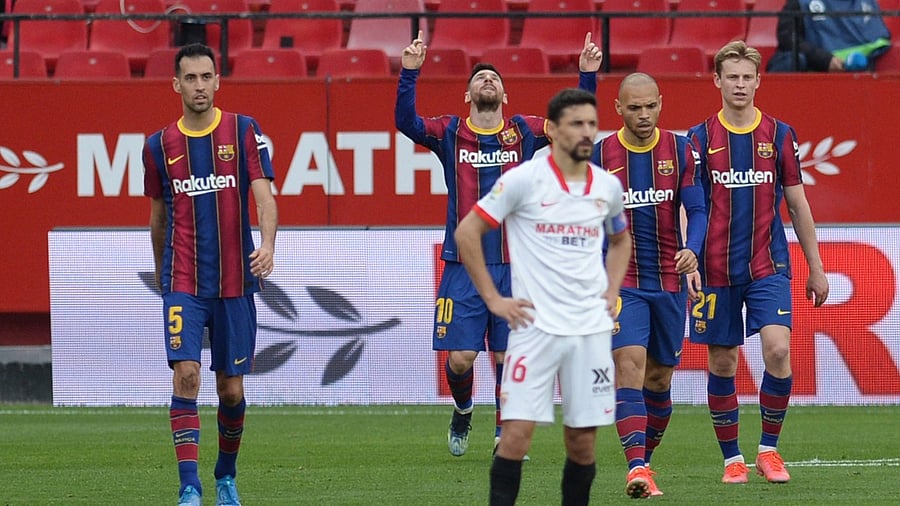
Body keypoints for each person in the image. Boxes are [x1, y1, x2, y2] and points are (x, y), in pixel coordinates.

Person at [395, 30, 604, 457]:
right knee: (462, 360)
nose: (487, 80)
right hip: (463, 265)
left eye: (493, 77)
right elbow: (406, 123)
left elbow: (573, 125)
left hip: (518, 265)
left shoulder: (524, 131)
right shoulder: (449, 132)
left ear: (505, 95)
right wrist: (409, 74)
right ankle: (463, 406)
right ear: (467, 94)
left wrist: (586, 76)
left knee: (509, 358)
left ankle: (502, 433)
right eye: (479, 78)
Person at [455, 87, 631, 506]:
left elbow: (621, 241)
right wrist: (494, 300)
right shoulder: (522, 180)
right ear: (551, 129)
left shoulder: (606, 186)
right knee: (515, 437)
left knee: (582, 443)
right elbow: (467, 232)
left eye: (592, 123)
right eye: (576, 124)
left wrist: (611, 288)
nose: (586, 132)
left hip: (588, 331)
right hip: (534, 331)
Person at [687, 40, 829, 485]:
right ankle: (732, 458)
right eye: (732, 76)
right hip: (713, 269)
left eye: (748, 77)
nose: (741, 84)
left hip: (769, 265)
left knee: (779, 350)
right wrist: (687, 259)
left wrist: (816, 265)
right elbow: (687, 206)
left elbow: (798, 204)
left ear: (758, 81)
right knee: (724, 362)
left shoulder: (780, 135)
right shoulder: (699, 139)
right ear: (718, 81)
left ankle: (768, 450)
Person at [143, 42, 278, 506]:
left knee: (231, 388)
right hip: (184, 280)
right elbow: (159, 216)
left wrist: (269, 245)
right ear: (176, 84)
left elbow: (264, 197)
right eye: (191, 78)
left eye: (207, 77)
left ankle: (224, 475)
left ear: (218, 81)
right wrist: (163, 271)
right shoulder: (158, 146)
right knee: (186, 376)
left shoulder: (243, 131)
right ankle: (189, 487)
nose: (199, 86)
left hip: (235, 282)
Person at [592, 72, 707, 498]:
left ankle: (645, 456)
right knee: (629, 367)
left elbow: (696, 207)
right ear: (618, 108)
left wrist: (692, 249)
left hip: (669, 280)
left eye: (650, 106)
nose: (643, 115)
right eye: (633, 108)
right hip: (623, 282)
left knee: (658, 379)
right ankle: (636, 467)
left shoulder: (681, 150)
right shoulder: (601, 154)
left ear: (661, 103)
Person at [767, 0, 891, 72]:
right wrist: (825, 60)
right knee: (790, 60)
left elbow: (877, 42)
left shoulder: (865, 3)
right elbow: (788, 39)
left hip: (852, 73)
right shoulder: (800, 3)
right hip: (811, 67)